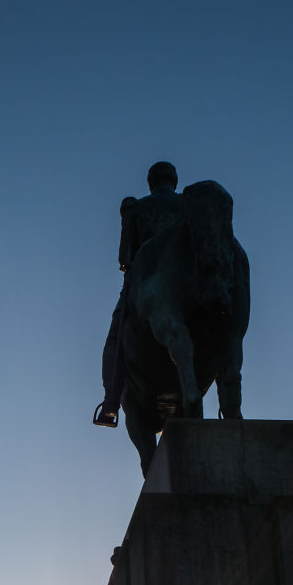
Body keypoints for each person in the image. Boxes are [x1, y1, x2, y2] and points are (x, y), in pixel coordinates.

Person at [96, 161, 185, 427]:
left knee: (115, 337)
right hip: (185, 283)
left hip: (144, 285)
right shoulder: (189, 205)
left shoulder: (137, 208)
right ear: (174, 181)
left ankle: (111, 400)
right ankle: (230, 402)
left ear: (151, 183)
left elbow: (125, 258)